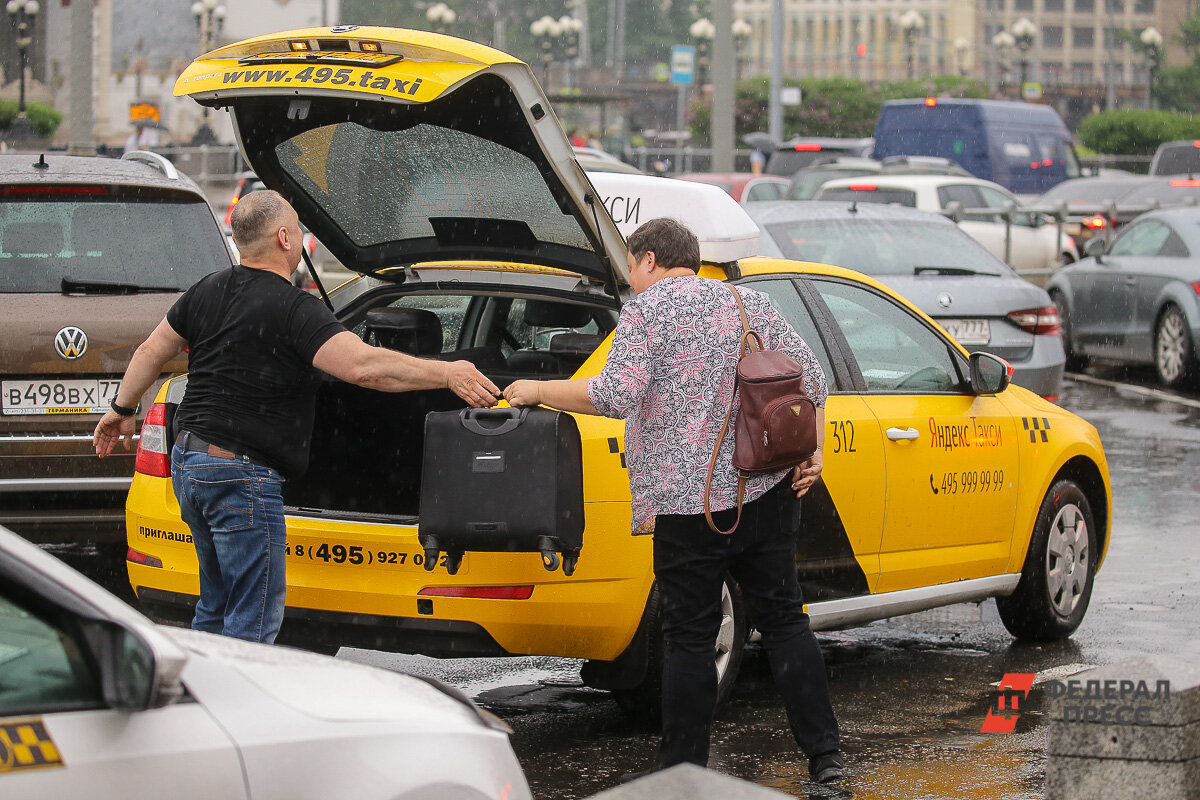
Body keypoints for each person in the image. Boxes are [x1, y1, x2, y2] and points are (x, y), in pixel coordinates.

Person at [503, 217, 845, 783]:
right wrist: (818, 451)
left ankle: (683, 774)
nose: (630, 280)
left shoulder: (647, 311)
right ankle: (826, 758)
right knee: (785, 622)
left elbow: (616, 393)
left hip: (689, 509)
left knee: (689, 637)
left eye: (631, 268)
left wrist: (538, 390)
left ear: (651, 260)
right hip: (763, 492)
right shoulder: (745, 305)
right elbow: (813, 380)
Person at [94, 190, 500, 644]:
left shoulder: (207, 290)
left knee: (216, 604)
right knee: (253, 617)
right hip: (239, 476)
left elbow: (152, 350)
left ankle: (202, 697)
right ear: (285, 238)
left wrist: (120, 410)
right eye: (300, 229)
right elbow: (363, 368)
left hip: (188, 465)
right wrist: (447, 372)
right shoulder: (293, 308)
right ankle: (243, 710)